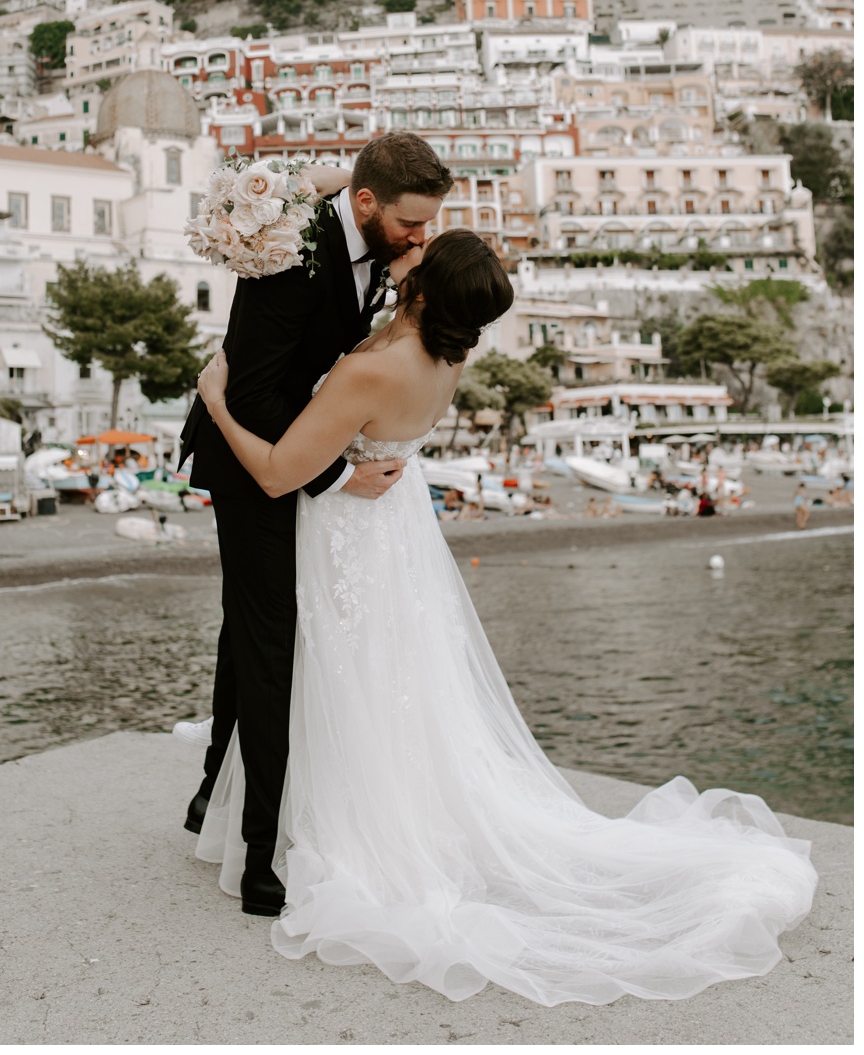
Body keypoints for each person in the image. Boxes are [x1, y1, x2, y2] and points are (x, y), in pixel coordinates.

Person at [186, 229, 815, 1004]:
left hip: (351, 535)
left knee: (344, 672)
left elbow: (281, 475)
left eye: (420, 254)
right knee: (391, 676)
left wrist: (216, 400)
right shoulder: (443, 356)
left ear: (423, 290)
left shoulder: (369, 368)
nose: (407, 251)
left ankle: (336, 828)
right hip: (394, 530)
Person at [176, 132, 448, 916]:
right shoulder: (288, 258)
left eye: (429, 225)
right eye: (410, 224)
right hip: (253, 460)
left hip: (302, 445)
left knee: (245, 631)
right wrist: (336, 474)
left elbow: (339, 173)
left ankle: (209, 796)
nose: (420, 239)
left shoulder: (366, 225)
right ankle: (261, 856)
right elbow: (253, 391)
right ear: (366, 205)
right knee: (270, 642)